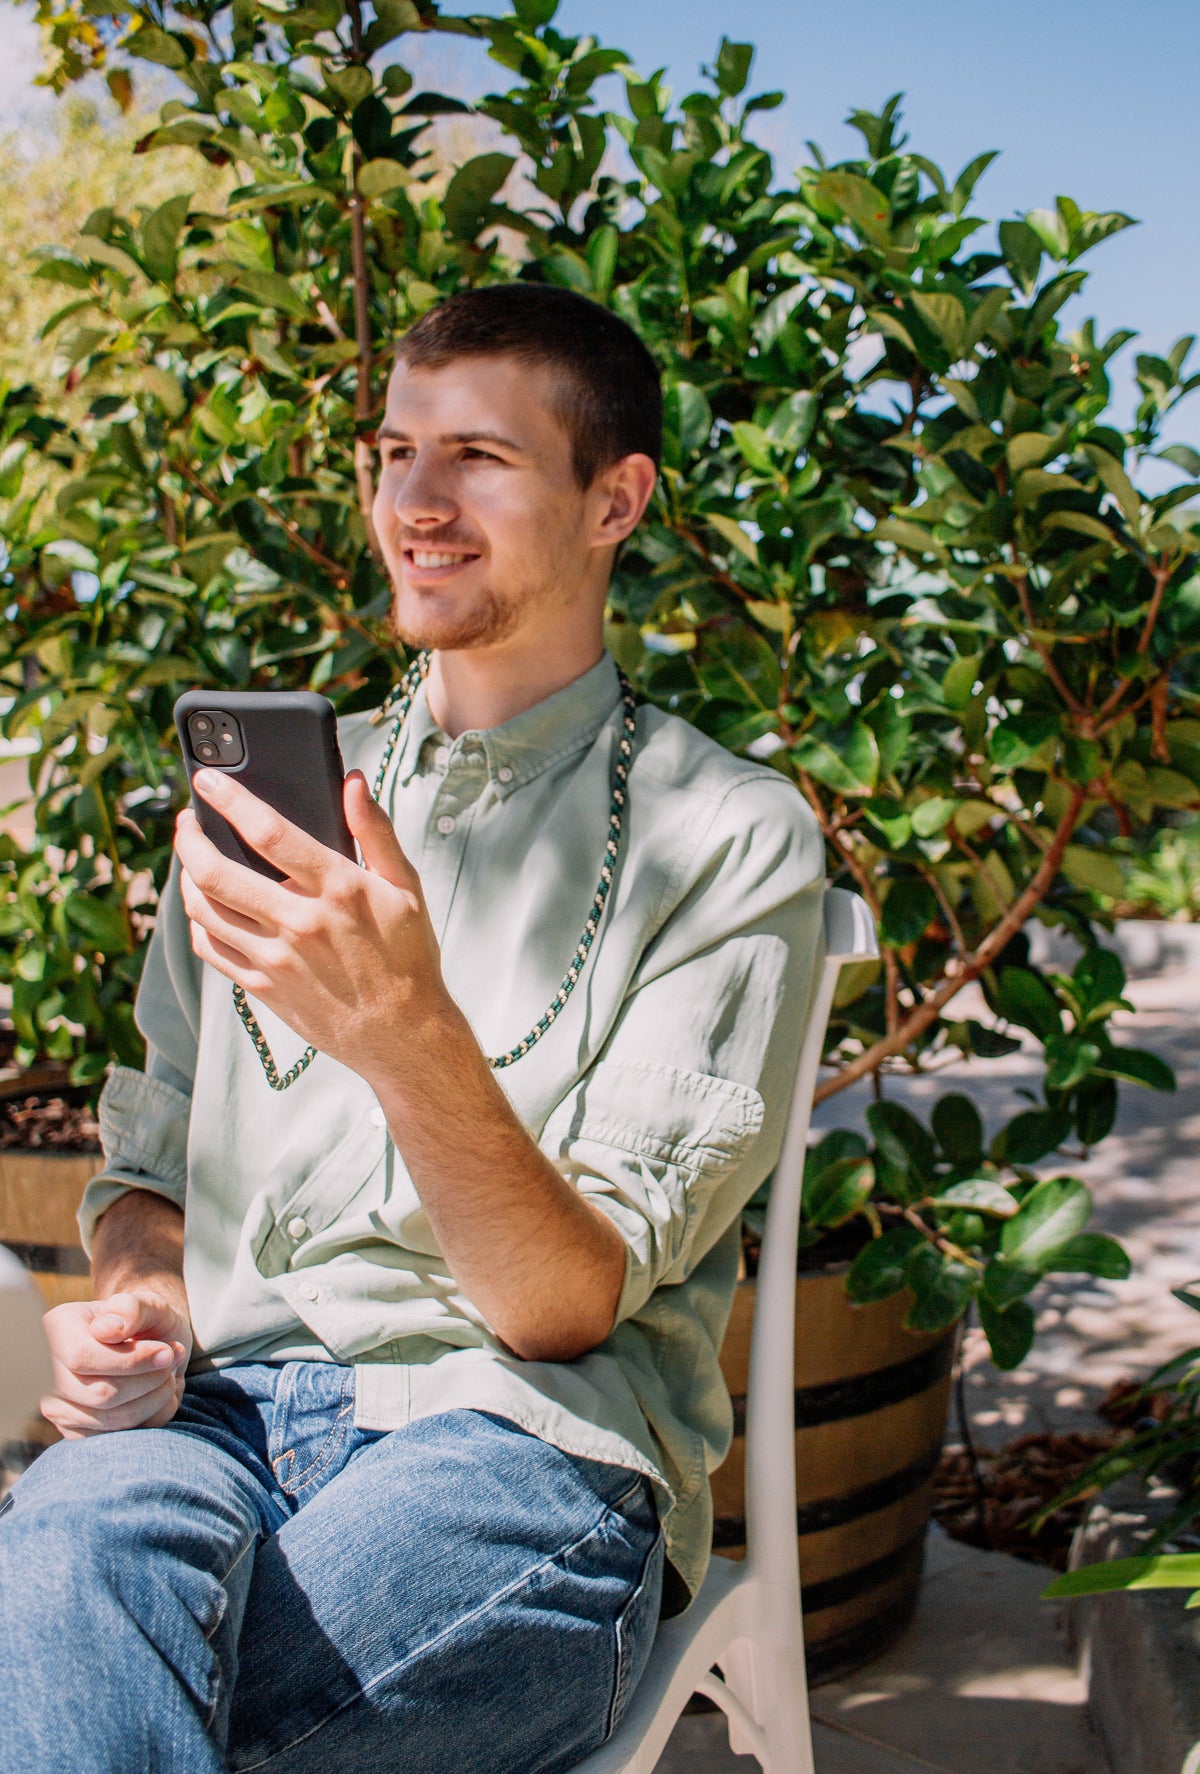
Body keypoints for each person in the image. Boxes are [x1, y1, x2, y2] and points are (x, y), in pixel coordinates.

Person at [0, 284, 825, 1773]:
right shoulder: (271, 806)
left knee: (89, 1708)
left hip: (523, 1443)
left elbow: (562, 1305)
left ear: (614, 499)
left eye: (481, 458)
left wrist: (404, 1032)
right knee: (70, 1550)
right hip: (219, 1417)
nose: (414, 503)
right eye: (394, 451)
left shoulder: (729, 835)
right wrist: (143, 1309)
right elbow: (151, 1168)